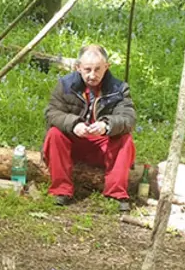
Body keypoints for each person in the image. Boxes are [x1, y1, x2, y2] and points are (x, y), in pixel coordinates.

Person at [43, 45, 137, 211]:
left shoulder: (119, 89)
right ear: (78, 67)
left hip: (103, 146)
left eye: (97, 69)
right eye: (87, 70)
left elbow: (128, 118)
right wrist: (74, 124)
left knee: (125, 139)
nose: (92, 75)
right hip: (74, 144)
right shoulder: (65, 85)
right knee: (54, 134)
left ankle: (116, 192)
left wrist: (107, 125)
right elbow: (52, 113)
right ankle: (61, 190)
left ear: (106, 67)